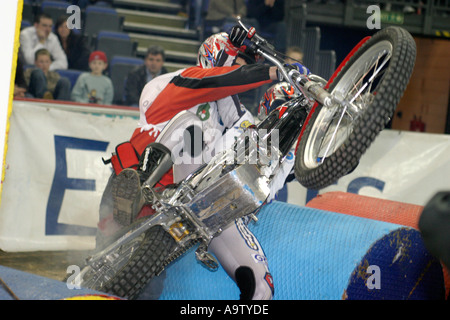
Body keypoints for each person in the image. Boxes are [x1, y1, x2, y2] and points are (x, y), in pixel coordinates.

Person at [97, 25, 309, 300]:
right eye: (237, 63)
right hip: (136, 181)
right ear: (217, 57)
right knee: (191, 128)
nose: (239, 71)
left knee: (147, 291)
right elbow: (221, 82)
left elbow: (251, 140)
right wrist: (276, 70)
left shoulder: (228, 114)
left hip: (177, 199)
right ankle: (142, 190)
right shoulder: (177, 81)